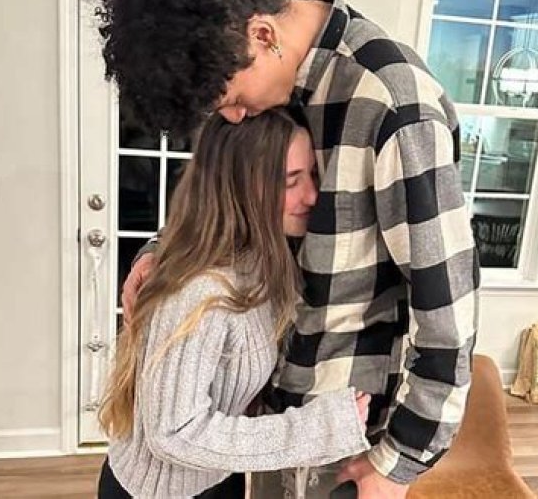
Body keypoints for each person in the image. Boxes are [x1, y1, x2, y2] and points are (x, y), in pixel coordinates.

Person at [92, 0, 480, 496]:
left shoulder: (393, 103)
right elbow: (229, 194)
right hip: (262, 423)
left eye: (230, 100)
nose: (231, 115)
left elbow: (447, 301)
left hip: (348, 434)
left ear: (263, 34)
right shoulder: (265, 77)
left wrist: (401, 460)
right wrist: (163, 252)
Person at [97, 111, 372, 498]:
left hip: (216, 478)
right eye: (290, 181)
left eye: (312, 174)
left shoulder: (260, 258)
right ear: (241, 187)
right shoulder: (199, 290)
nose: (312, 196)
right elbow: (173, 433)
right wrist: (321, 429)